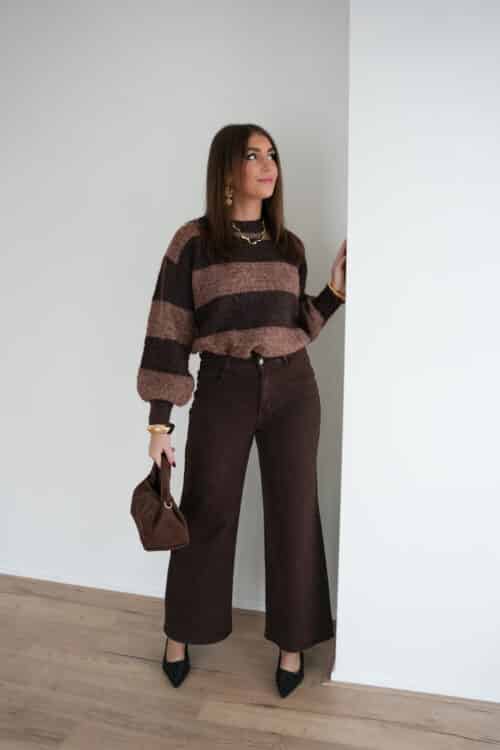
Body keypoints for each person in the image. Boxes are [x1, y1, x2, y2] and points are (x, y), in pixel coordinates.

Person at [136, 123, 347, 697]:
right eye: (253, 155)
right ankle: (181, 633)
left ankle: (292, 645)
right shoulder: (193, 242)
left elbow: (295, 326)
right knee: (207, 510)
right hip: (223, 386)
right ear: (227, 169)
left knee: (294, 513)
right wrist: (160, 420)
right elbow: (168, 328)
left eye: (271, 153)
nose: (267, 164)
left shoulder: (289, 246)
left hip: (293, 388)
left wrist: (333, 293)